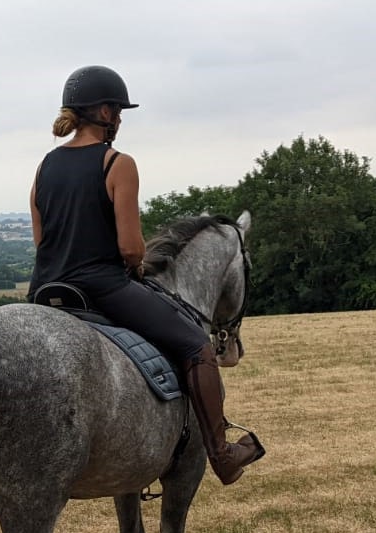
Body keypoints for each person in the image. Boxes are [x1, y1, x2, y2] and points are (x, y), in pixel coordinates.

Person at [28, 65, 264, 485]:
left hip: (46, 290)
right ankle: (223, 455)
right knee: (197, 347)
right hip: (102, 288)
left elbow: (41, 239)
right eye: (118, 111)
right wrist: (135, 269)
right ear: (104, 112)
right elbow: (131, 249)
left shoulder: (44, 167)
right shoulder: (117, 163)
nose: (119, 119)